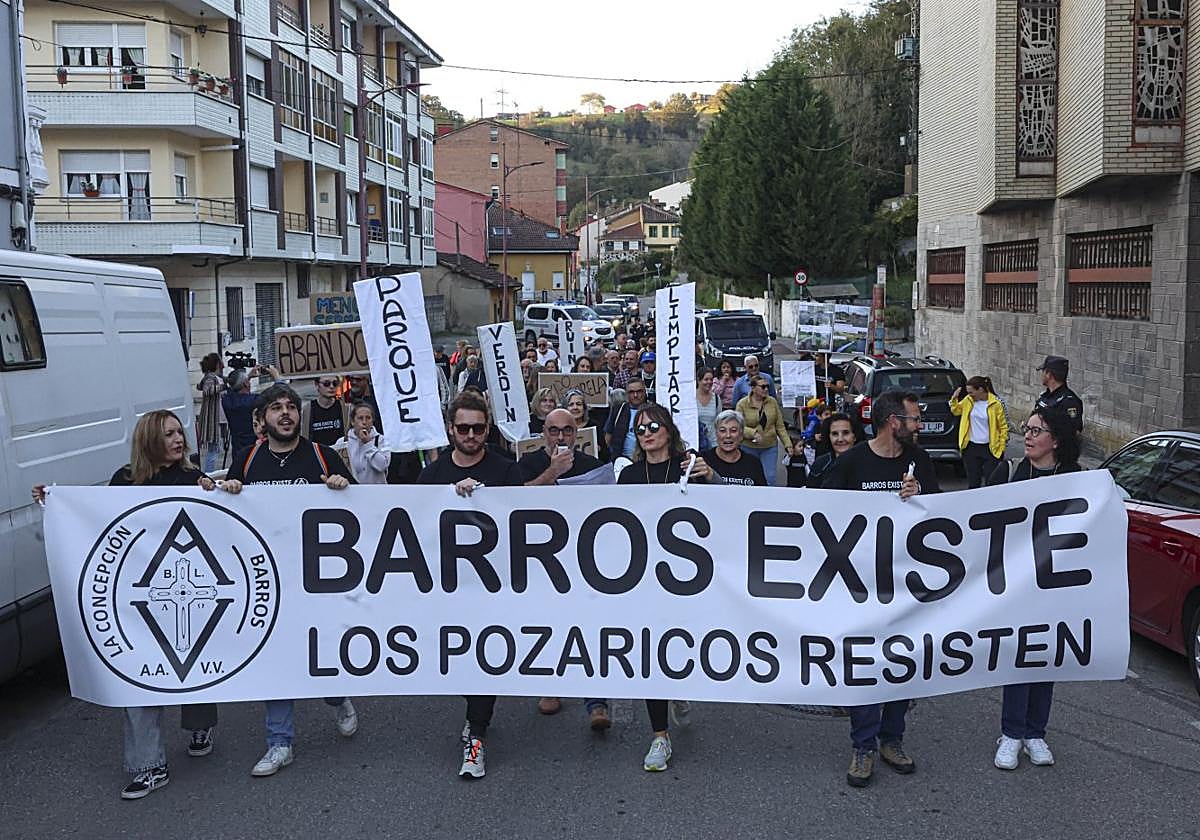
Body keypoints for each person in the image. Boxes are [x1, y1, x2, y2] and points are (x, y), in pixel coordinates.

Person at [35, 410, 217, 800]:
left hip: (191, 591)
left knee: (194, 667)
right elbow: (95, 519)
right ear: (149, 440)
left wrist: (216, 491)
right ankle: (149, 765)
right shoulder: (124, 481)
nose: (178, 439)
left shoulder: (193, 478)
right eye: (168, 434)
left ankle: (200, 725)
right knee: (139, 676)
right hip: (141, 596)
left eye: (179, 432)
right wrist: (55, 502)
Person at [218, 383, 359, 778]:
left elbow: (363, 508)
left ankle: (338, 698)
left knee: (320, 656)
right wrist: (231, 491)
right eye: (276, 408)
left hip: (317, 579)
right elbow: (227, 517)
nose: (285, 414)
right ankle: (279, 742)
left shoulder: (321, 455)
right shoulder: (247, 461)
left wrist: (343, 488)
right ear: (262, 418)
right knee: (276, 658)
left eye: (291, 407)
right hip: (268, 580)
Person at [821, 389, 939, 788]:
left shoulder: (919, 460)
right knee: (866, 665)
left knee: (902, 661)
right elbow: (821, 512)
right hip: (860, 586)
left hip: (905, 584)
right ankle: (863, 746)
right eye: (914, 419)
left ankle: (892, 739)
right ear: (894, 422)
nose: (919, 425)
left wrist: (921, 496)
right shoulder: (852, 462)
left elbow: (942, 512)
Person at [417, 392, 525, 779]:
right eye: (463, 428)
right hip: (446, 588)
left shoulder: (506, 470)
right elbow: (413, 526)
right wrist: (451, 497)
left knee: (485, 660)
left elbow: (523, 521)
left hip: (493, 588)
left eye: (478, 428)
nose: (471, 435)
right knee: (458, 661)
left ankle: (475, 737)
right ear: (450, 429)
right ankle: (475, 715)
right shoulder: (432, 476)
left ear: (488, 429)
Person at [617, 404, 712, 771]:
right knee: (651, 654)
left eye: (653, 426)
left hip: (686, 579)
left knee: (680, 645)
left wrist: (711, 477)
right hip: (644, 580)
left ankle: (679, 687)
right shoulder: (629, 476)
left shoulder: (689, 468)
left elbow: (728, 510)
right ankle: (660, 735)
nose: (647, 433)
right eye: (640, 429)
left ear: (669, 430)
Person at [986, 406, 1081, 772]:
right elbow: (975, 515)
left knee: (1047, 655)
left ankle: (1035, 733)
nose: (1027, 435)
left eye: (1037, 430)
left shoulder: (1076, 478)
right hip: (1015, 583)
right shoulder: (1008, 471)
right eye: (1027, 428)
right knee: (1019, 656)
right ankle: (1011, 733)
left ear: (1055, 440)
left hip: (1056, 584)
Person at [736, 374, 797, 487]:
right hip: (749, 447)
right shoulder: (742, 404)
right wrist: (753, 433)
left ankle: (768, 497)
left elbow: (780, 426)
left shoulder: (772, 402)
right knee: (750, 477)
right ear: (753, 388)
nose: (766, 389)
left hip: (769, 446)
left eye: (767, 386)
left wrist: (788, 444)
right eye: (762, 387)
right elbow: (738, 427)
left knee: (770, 478)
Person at [950, 376, 1009, 489]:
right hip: (971, 447)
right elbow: (956, 411)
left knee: (991, 483)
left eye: (971, 392)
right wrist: (954, 399)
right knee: (973, 484)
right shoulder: (968, 400)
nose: (969, 395)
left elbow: (1004, 427)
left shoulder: (996, 403)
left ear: (980, 390)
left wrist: (1001, 447)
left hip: (990, 448)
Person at [700, 410, 766, 486]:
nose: (728, 435)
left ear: (741, 435)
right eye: (722, 431)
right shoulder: (703, 461)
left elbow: (763, 492)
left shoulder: (753, 463)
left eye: (733, 431)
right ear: (716, 434)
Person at [805, 412, 863, 488]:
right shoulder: (820, 464)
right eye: (835, 434)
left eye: (846, 433)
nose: (840, 439)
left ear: (854, 436)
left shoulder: (867, 463)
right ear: (829, 437)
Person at [1034, 355, 1083, 433]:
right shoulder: (1044, 397)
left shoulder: (1070, 402)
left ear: (1049, 374)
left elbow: (1071, 431)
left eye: (1043, 371)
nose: (1041, 374)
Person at [344, 402, 390, 484]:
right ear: (353, 422)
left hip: (376, 490)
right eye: (360, 418)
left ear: (372, 421)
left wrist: (368, 444)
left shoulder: (381, 440)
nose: (364, 422)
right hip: (352, 490)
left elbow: (382, 466)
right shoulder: (343, 441)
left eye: (368, 418)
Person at [301, 375, 351, 448]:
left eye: (335, 383)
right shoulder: (307, 409)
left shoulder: (345, 408)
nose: (331, 387)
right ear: (317, 385)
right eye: (326, 384)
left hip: (339, 452)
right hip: (317, 453)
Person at [605, 377, 649, 459]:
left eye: (639, 391)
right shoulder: (619, 410)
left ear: (645, 392)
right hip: (620, 460)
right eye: (631, 392)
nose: (635, 395)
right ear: (626, 394)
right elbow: (608, 436)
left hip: (646, 459)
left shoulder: (653, 411)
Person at [195, 352, 226, 472]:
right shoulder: (211, 377)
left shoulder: (211, 377)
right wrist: (223, 386)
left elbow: (200, 386)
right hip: (211, 419)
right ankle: (209, 474)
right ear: (217, 364)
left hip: (214, 418)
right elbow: (207, 390)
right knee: (213, 450)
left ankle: (209, 472)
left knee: (215, 449)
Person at [696, 367, 722, 448]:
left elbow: (719, 422)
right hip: (697, 442)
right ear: (699, 380)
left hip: (713, 442)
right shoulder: (691, 398)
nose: (709, 382)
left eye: (711, 379)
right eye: (706, 379)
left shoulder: (716, 398)